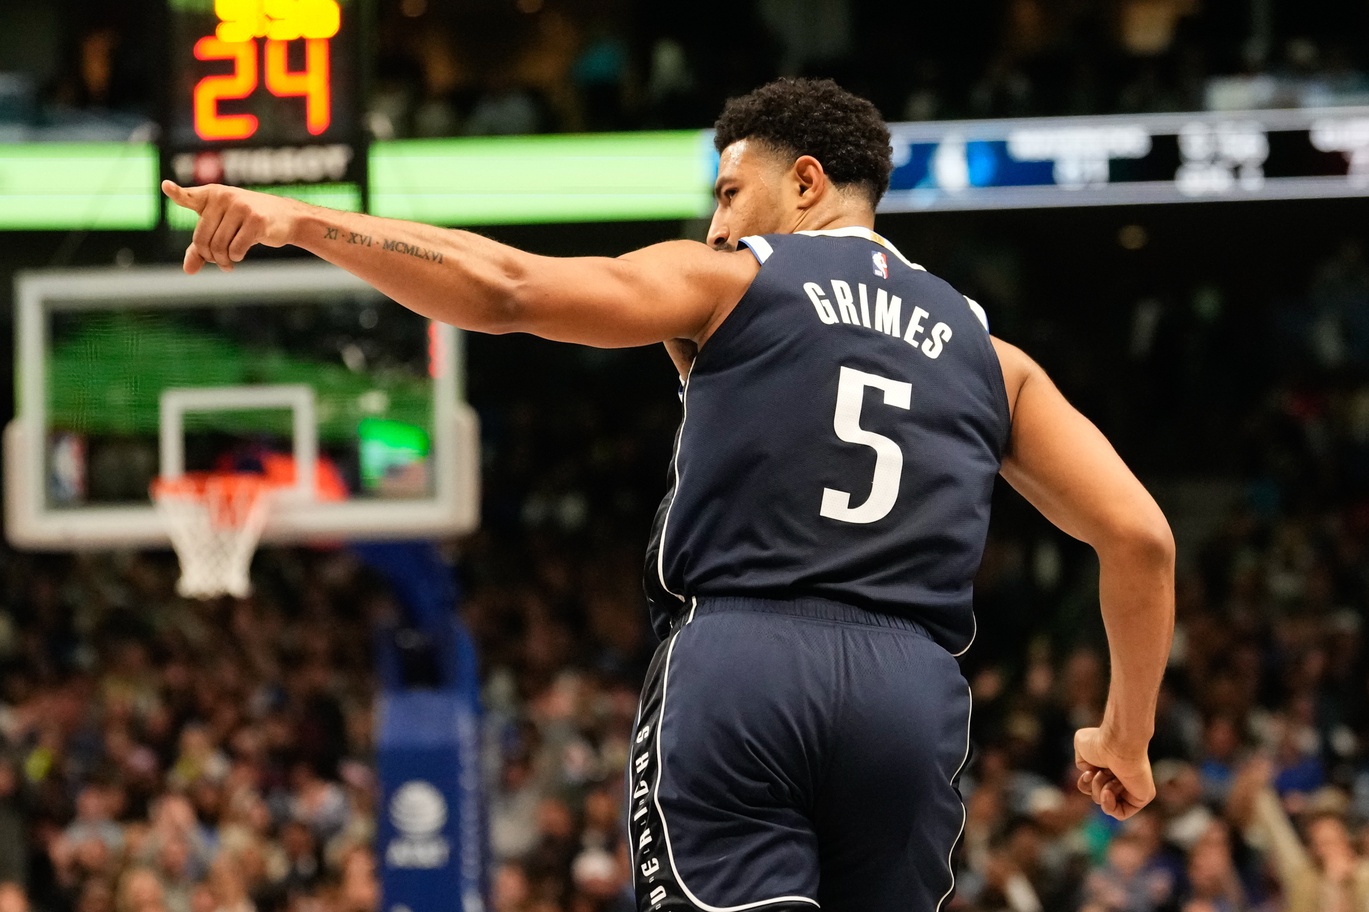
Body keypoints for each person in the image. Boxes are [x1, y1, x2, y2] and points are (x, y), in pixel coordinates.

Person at [164, 77, 1175, 912]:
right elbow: (1140, 539)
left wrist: (303, 218)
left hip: (744, 665)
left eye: (730, 193)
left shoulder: (735, 280)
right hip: (911, 696)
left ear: (807, 183)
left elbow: (509, 289)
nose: (716, 219)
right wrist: (1123, 737)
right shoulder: (992, 358)